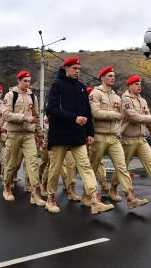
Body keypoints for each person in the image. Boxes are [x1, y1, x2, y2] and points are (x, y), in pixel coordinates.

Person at [45, 57, 114, 214]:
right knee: (55, 169)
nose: (77, 71)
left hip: (77, 135)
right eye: (75, 68)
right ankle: (50, 199)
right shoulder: (57, 85)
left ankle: (95, 200)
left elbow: (87, 112)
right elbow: (52, 109)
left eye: (79, 68)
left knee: (86, 167)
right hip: (60, 134)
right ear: (66, 68)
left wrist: (90, 132)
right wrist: (73, 118)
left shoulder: (82, 87)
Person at [88, 67, 148, 209]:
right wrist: (112, 114)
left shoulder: (116, 97)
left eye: (113, 76)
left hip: (114, 137)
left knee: (122, 166)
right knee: (93, 167)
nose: (112, 78)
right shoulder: (95, 94)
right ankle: (89, 196)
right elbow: (94, 112)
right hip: (99, 136)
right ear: (102, 78)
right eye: (109, 76)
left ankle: (130, 196)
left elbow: (122, 115)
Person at [2, 70, 45, 206]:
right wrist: (24, 117)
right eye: (25, 81)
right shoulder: (10, 95)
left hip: (29, 135)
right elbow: (6, 114)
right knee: (12, 163)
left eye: (29, 81)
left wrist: (40, 135)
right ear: (18, 81)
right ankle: (7, 187)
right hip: (14, 134)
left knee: (33, 163)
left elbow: (37, 117)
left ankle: (35, 194)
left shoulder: (33, 97)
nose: (27, 83)